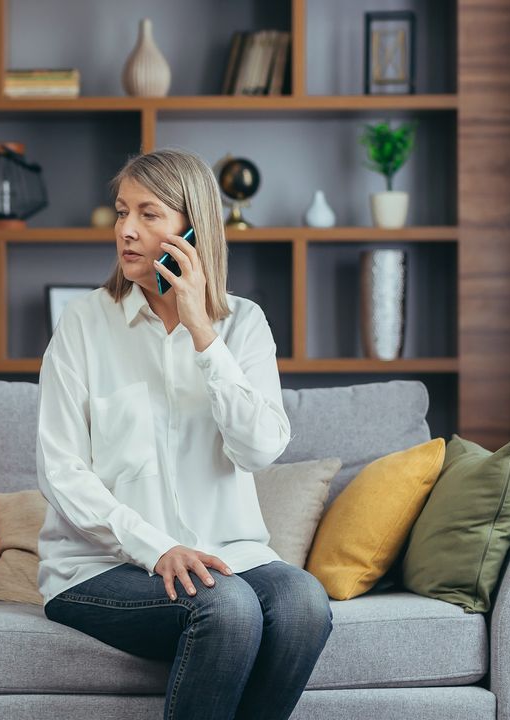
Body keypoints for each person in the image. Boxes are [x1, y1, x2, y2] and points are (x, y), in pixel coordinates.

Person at [37, 149, 332, 720]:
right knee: (228, 611)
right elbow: (61, 470)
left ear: (192, 228)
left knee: (304, 605)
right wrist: (158, 549)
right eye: (122, 212)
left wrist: (202, 330)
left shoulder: (242, 324)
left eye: (148, 215)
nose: (125, 230)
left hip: (229, 555)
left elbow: (261, 448)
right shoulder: (84, 323)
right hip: (101, 567)